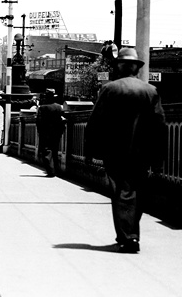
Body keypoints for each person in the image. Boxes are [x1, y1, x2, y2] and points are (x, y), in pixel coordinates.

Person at [84, 47, 166, 254]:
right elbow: (160, 126)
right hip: (142, 153)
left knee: (121, 192)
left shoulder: (109, 89)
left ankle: (128, 236)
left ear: (119, 67)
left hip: (115, 151)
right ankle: (129, 233)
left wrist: (90, 152)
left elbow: (95, 122)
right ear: (136, 68)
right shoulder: (150, 91)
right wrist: (158, 158)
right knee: (137, 192)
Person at [36, 88, 66, 177]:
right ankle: (56, 170)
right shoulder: (59, 107)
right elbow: (62, 119)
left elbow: (39, 122)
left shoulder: (42, 108)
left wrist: (40, 132)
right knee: (55, 151)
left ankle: (50, 171)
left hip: (45, 133)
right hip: (56, 133)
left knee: (46, 151)